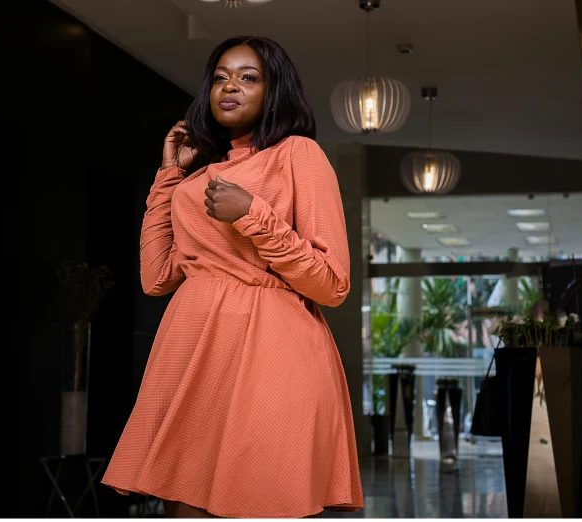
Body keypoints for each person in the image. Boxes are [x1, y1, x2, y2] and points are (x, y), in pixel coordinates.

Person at [101, 35, 364, 519]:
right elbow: (157, 277)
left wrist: (252, 215)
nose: (230, 87)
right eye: (220, 77)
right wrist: (168, 177)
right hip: (193, 350)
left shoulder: (298, 154)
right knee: (185, 505)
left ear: (274, 90)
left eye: (248, 77)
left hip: (272, 351)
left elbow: (332, 283)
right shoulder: (199, 180)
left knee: (261, 499)